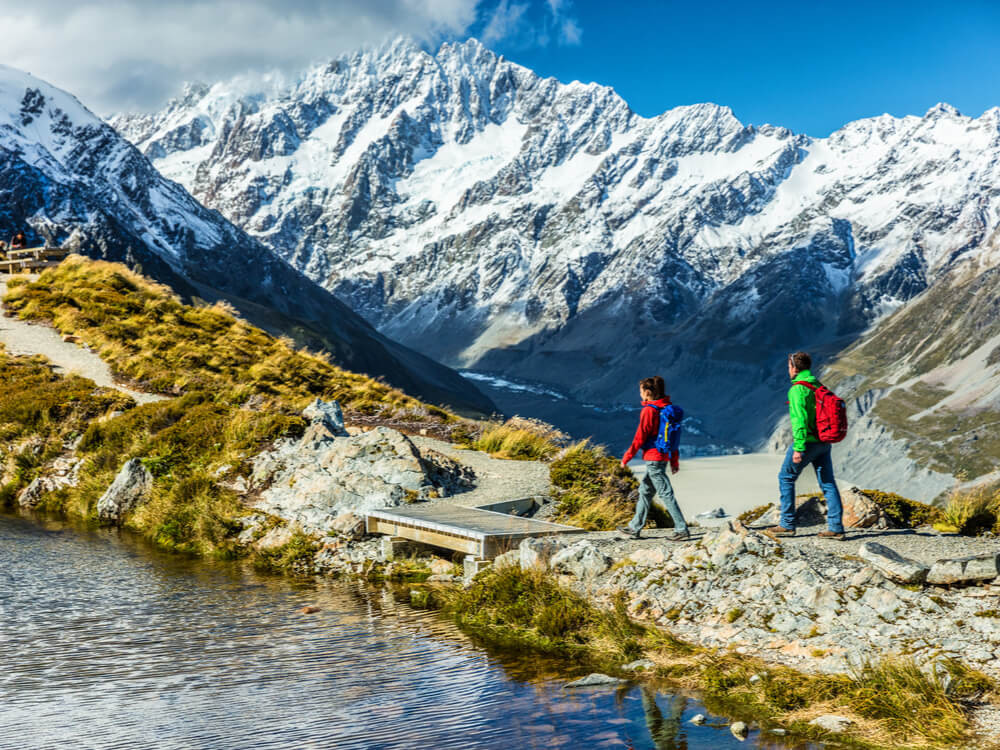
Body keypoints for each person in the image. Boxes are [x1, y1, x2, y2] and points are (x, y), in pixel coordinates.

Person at [767, 351, 846, 540]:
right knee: (828, 483)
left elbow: (799, 420)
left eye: (788, 366)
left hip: (807, 442)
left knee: (786, 477)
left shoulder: (797, 389)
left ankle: (787, 524)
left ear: (794, 367)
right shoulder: (817, 385)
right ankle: (836, 527)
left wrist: (799, 448)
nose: (788, 370)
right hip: (824, 442)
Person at [618, 376, 689, 541]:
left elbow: (640, 437)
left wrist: (627, 457)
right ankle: (634, 527)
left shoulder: (649, 410)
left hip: (653, 458)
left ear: (647, 392)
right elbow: (674, 438)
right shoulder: (666, 408)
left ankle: (681, 529)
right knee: (645, 491)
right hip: (662, 456)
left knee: (665, 493)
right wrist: (674, 460)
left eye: (641, 391)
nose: (640, 394)